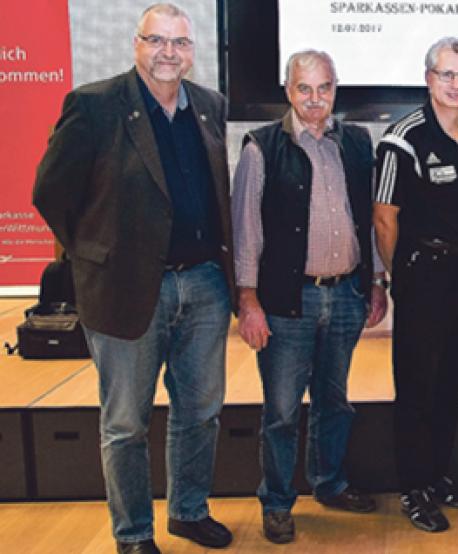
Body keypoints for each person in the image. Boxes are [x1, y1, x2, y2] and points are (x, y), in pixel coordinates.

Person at [33, 4, 234, 553]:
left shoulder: (210, 107)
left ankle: (189, 512)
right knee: (125, 423)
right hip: (125, 290)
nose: (170, 53)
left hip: (204, 287)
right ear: (136, 44)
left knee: (201, 412)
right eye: (158, 41)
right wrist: (94, 253)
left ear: (193, 52)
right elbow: (50, 192)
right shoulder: (95, 105)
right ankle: (133, 533)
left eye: (180, 43)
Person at [232, 49, 388, 544]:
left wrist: (377, 282)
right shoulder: (261, 147)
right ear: (288, 90)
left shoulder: (358, 143)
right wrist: (248, 302)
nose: (315, 99)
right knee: (280, 411)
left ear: (336, 88)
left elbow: (369, 219)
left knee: (334, 402)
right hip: (285, 302)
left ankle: (329, 483)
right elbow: (245, 233)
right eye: (305, 89)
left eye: (324, 88)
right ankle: (277, 502)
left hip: (345, 294)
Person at [373, 36, 458, 533]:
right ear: (429, 79)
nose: (456, 84)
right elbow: (383, 218)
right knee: (417, 387)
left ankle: (438, 475)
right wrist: (401, 277)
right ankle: (414, 488)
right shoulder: (403, 138)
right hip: (424, 275)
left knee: (453, 383)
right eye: (447, 74)